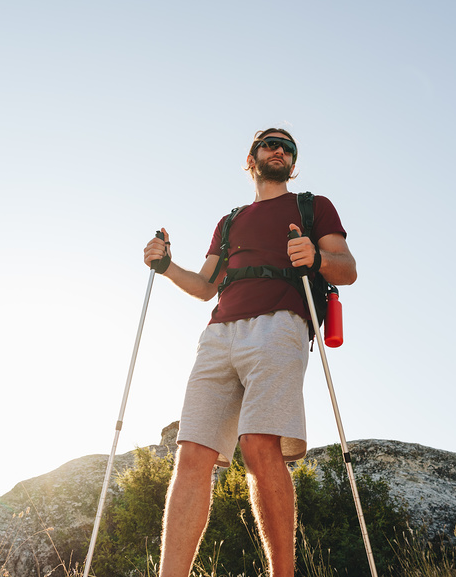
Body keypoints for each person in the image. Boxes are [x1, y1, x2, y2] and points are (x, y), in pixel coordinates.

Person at [142, 128, 357, 577]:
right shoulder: (230, 220)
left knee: (260, 445)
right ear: (251, 158)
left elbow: (347, 267)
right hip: (219, 333)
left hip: (281, 324)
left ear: (292, 164)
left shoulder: (312, 207)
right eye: (270, 144)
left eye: (288, 148)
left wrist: (316, 259)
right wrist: (164, 266)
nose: (280, 150)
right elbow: (205, 286)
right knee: (192, 452)